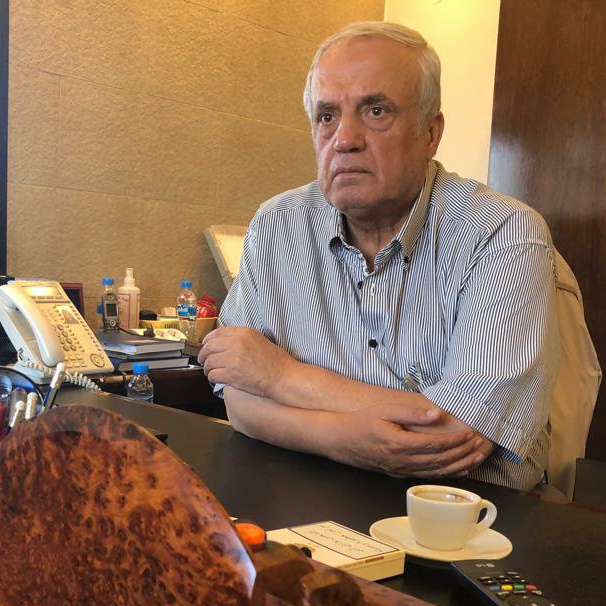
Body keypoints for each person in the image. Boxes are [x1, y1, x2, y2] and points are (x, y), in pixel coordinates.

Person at [198, 21, 558, 491]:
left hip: (468, 514)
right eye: (327, 116)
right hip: (310, 499)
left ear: (430, 133)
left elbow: (451, 437)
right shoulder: (276, 225)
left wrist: (281, 378)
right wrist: (341, 438)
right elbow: (239, 399)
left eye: (376, 110)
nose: (344, 139)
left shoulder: (503, 233)